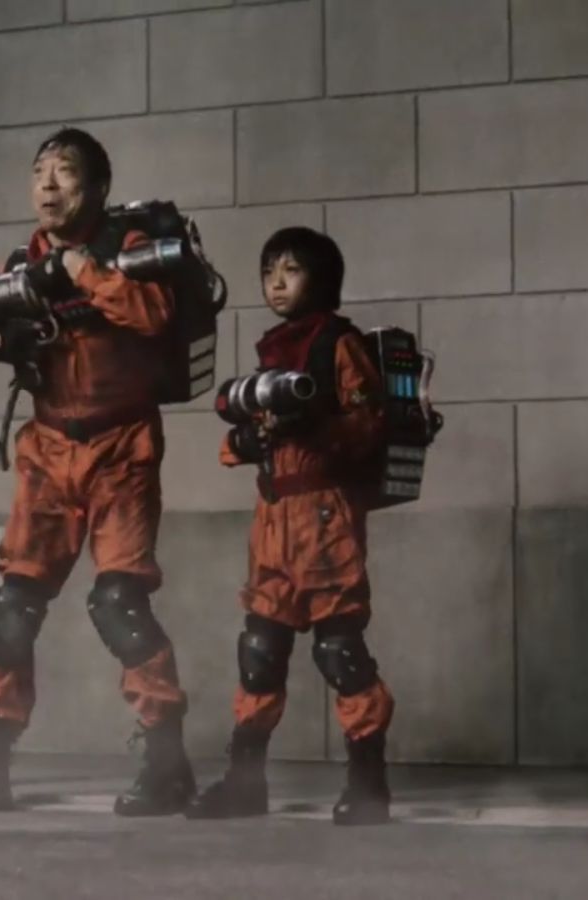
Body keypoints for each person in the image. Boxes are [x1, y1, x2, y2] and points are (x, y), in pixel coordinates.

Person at [0, 127, 195, 817]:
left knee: (119, 605)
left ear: (97, 188)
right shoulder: (20, 264)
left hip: (121, 449)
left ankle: (168, 763)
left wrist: (81, 271)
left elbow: (154, 314)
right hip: (47, 452)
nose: (48, 184)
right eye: (39, 171)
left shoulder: (129, 249)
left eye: (65, 172)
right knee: (11, 613)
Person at [184, 226, 395, 826]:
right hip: (273, 515)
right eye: (268, 271)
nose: (276, 283)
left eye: (291, 270)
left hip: (324, 516)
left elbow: (368, 422)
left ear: (320, 279)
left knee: (340, 651)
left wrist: (314, 427)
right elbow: (245, 435)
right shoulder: (275, 350)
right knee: (260, 651)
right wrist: (247, 442)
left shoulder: (338, 343)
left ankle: (368, 785)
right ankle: (245, 783)